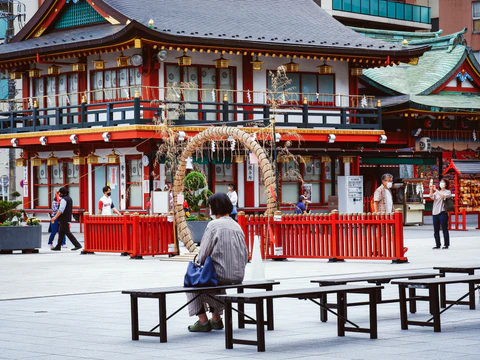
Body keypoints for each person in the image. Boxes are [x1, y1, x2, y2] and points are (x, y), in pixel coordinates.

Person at [186, 193, 248, 332]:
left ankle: (203, 321)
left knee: (192, 280)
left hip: (221, 274)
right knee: (213, 279)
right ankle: (216, 319)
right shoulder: (237, 226)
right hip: (238, 274)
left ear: (214, 207)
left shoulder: (213, 225)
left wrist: (196, 261)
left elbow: (203, 255)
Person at [51, 187, 82, 251]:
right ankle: (58, 246)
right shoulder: (69, 199)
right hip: (67, 218)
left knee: (67, 232)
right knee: (61, 232)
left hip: (63, 219)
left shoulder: (63, 200)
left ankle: (77, 245)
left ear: (62, 193)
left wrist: (55, 217)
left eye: (60, 193)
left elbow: (61, 210)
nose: (59, 194)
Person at [430, 178, 451, 249]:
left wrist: (436, 190)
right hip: (435, 212)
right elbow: (431, 197)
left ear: (446, 184)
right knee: (436, 229)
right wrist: (431, 189)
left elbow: (442, 196)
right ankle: (437, 244)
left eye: (443, 182)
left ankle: (446, 244)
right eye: (441, 182)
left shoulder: (448, 192)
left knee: (444, 228)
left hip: (442, 211)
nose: (441, 183)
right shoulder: (436, 192)